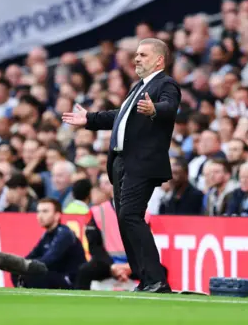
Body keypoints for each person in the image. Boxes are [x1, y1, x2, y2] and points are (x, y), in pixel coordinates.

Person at [62, 38, 180, 293]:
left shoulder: (165, 83)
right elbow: (121, 116)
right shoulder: (139, 86)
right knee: (124, 219)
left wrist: (154, 109)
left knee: (130, 215)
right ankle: (146, 279)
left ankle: (156, 279)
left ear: (159, 60)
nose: (136, 59)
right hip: (122, 163)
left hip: (142, 163)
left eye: (143, 55)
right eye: (136, 54)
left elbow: (170, 106)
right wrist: (89, 118)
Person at [11, 198, 86, 289]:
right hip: (54, 275)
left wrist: (26, 265)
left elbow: (49, 259)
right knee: (16, 270)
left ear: (57, 216)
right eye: (38, 212)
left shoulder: (64, 234)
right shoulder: (47, 235)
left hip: (69, 280)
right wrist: (17, 264)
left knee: (36, 274)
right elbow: (32, 255)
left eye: (45, 211)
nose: (40, 216)